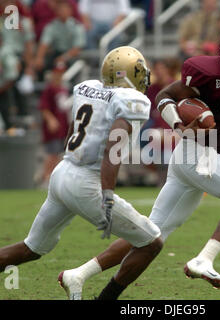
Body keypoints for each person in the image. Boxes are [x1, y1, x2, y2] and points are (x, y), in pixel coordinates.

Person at [58, 22, 220, 298]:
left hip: (200, 155)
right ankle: (203, 260)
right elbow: (165, 96)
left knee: (152, 235)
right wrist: (179, 127)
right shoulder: (205, 71)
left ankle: (81, 276)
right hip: (198, 150)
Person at [0, 46, 163, 300]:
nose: (144, 78)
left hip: (63, 172)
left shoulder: (87, 88)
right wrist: (107, 195)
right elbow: (112, 148)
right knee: (152, 242)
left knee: (31, 248)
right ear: (126, 74)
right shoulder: (132, 101)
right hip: (87, 183)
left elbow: (71, 133)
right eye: (139, 72)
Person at [38, 62, 70, 185]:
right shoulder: (49, 89)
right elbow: (44, 107)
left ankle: (52, 178)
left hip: (62, 126)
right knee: (52, 154)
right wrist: (51, 120)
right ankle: (45, 178)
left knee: (58, 154)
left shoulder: (62, 89)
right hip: (54, 128)